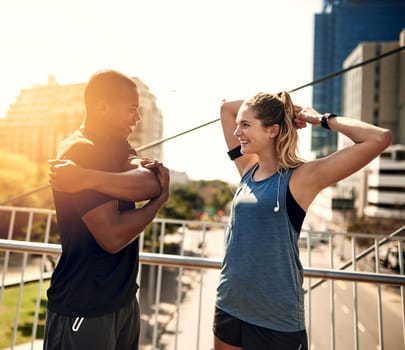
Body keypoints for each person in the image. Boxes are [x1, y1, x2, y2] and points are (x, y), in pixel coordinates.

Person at [213, 91, 392, 350]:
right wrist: (284, 109)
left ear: (273, 131)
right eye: (239, 124)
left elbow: (379, 138)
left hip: (274, 318)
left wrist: (319, 119)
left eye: (246, 125)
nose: (237, 131)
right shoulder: (247, 168)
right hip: (229, 304)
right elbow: (226, 108)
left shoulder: (302, 178)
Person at [44, 69, 170, 350]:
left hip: (123, 300)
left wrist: (87, 177)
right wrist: (158, 204)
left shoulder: (116, 146)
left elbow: (151, 182)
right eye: (131, 110)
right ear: (102, 106)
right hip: (85, 305)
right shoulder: (80, 150)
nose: (137, 119)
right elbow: (111, 237)